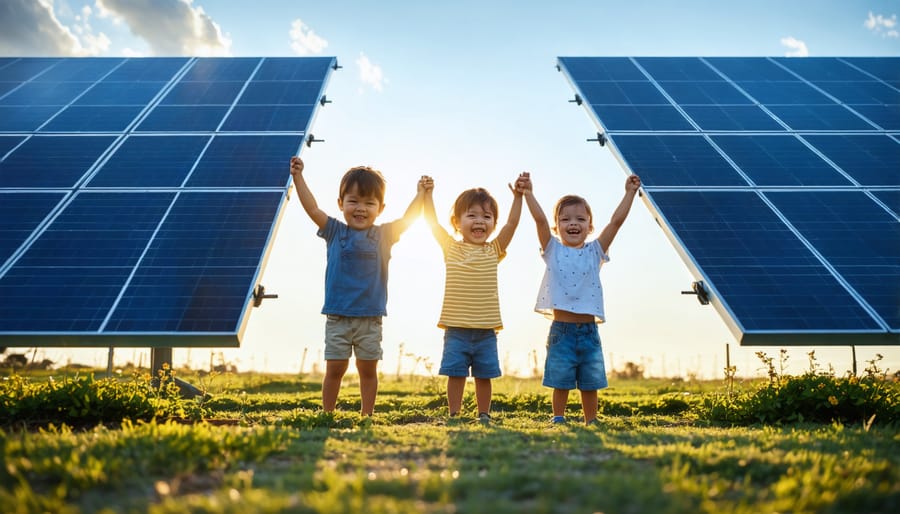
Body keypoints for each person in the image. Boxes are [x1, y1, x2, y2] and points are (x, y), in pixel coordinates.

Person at [289, 156, 429, 416]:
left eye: (369, 203)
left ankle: (367, 415)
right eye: (353, 201)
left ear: (381, 208)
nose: (361, 208)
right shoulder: (334, 231)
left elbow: (408, 220)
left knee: (368, 370)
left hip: (370, 318)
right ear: (341, 204)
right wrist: (298, 177)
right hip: (338, 317)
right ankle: (327, 414)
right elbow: (312, 209)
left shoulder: (384, 235)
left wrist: (420, 194)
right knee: (335, 369)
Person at [519, 172, 642, 425]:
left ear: (590, 226)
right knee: (560, 379)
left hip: (588, 331)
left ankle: (591, 419)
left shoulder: (595, 251)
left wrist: (629, 193)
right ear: (557, 227)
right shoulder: (552, 249)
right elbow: (540, 221)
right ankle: (559, 417)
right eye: (565, 219)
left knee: (590, 380)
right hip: (561, 330)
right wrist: (529, 193)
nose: (572, 223)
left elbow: (616, 223)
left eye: (580, 219)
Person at [422, 174, 526, 423]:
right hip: (456, 328)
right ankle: (455, 414)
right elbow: (432, 223)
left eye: (487, 217)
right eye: (472, 215)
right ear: (457, 223)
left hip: (486, 329)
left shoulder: (494, 250)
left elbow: (511, 225)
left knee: (484, 375)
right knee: (455, 374)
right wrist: (427, 195)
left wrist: (518, 197)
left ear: (493, 223)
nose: (480, 221)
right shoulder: (451, 247)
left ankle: (484, 414)